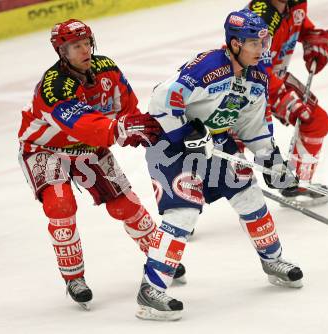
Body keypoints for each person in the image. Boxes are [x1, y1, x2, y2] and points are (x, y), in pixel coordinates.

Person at [135, 9, 303, 321]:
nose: (261, 49)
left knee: (250, 195)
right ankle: (151, 289)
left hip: (215, 143)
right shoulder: (209, 66)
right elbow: (162, 98)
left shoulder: (256, 76)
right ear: (235, 43)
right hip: (171, 146)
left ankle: (273, 261)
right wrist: (185, 133)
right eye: (254, 43)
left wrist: (272, 162)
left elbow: (253, 127)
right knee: (183, 213)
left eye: (262, 42)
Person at [17, 19, 185, 310]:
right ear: (62, 52)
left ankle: (157, 256)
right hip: (45, 149)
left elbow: (127, 107)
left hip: (89, 148)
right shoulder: (54, 87)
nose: (84, 50)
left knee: (125, 204)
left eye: (86, 43)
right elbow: (83, 125)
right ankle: (74, 278)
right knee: (60, 205)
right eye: (75, 46)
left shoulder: (106, 68)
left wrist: (141, 129)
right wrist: (120, 129)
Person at [248, 0, 328, 206]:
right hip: (246, 83)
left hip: (274, 78)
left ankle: (298, 185)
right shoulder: (259, 18)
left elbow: (302, 25)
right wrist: (281, 97)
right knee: (230, 147)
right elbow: (252, 65)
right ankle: (184, 205)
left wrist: (313, 40)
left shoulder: (296, 4)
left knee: (315, 121)